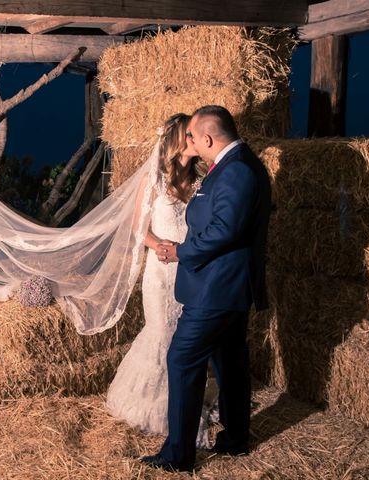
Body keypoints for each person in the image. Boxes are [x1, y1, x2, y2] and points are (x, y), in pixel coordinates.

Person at [140, 105, 272, 472]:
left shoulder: (238, 171)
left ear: (210, 139)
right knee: (229, 362)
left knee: (182, 360)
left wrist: (180, 252)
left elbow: (224, 231)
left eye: (195, 137)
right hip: (226, 287)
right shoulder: (235, 167)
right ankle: (235, 439)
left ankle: (178, 456)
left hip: (215, 288)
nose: (192, 143)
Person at [106, 113, 218, 449]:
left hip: (190, 271)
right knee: (162, 334)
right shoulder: (154, 180)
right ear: (178, 139)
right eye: (190, 134)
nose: (196, 139)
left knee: (185, 339)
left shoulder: (199, 182)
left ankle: (183, 403)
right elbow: (137, 226)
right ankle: (155, 409)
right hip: (160, 272)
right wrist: (160, 248)